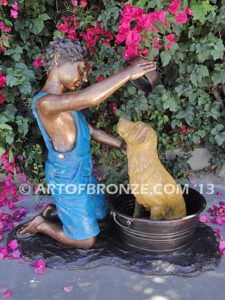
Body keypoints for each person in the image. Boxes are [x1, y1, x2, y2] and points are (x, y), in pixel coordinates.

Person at [18, 37, 157, 249]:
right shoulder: (46, 103)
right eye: (81, 69)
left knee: (102, 215)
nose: (83, 78)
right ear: (58, 59)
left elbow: (89, 131)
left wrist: (121, 145)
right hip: (67, 179)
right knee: (86, 240)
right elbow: (90, 98)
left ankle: (60, 212)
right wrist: (128, 73)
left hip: (83, 173)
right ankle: (42, 224)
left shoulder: (66, 102)